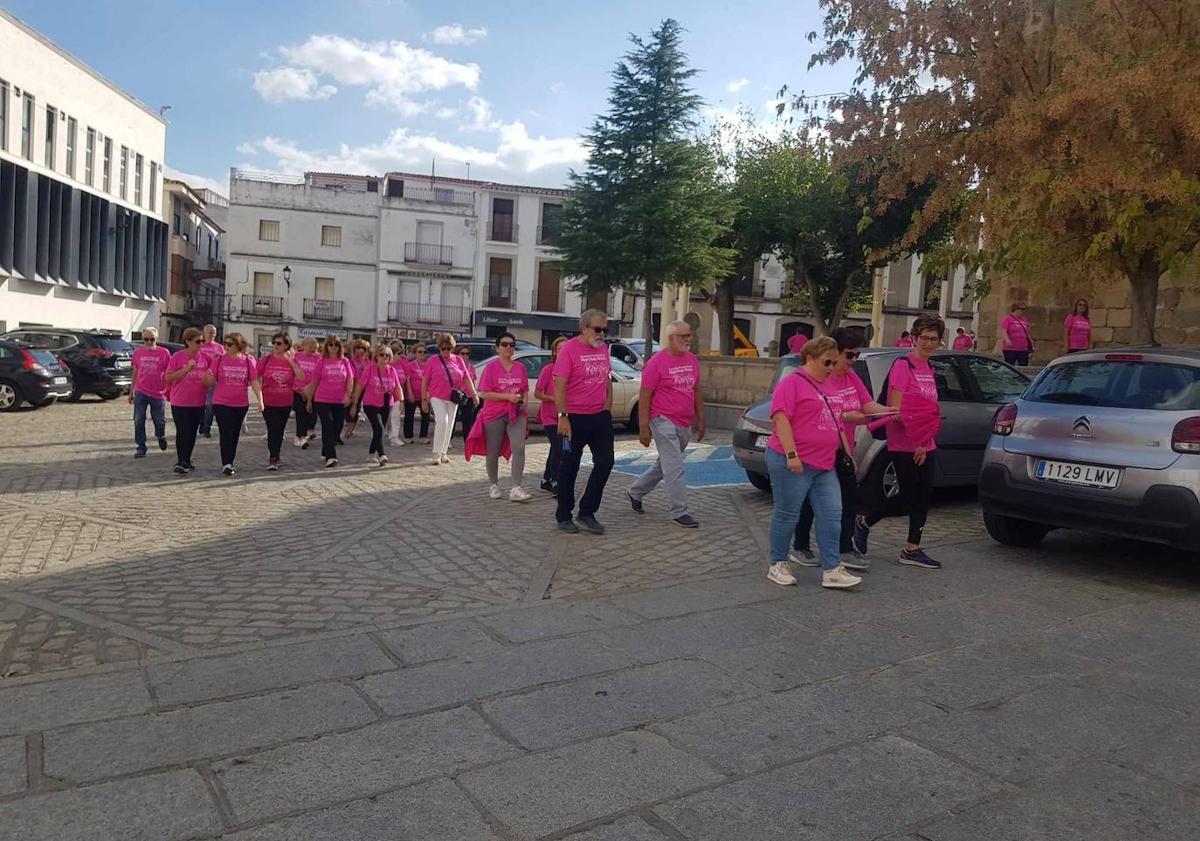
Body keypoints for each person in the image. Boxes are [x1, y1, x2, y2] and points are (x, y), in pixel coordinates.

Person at [791, 328, 895, 570]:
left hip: (844, 449)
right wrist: (850, 417)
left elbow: (867, 404)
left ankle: (844, 548)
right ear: (833, 352)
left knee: (848, 499)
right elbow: (828, 412)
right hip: (817, 450)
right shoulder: (820, 378)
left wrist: (891, 410)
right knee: (809, 501)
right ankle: (800, 546)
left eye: (857, 355)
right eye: (850, 355)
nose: (853, 361)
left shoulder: (851, 377)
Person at [764, 336, 862, 590]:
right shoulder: (792, 383)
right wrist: (791, 454)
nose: (831, 367)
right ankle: (778, 562)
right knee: (788, 513)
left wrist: (847, 453)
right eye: (826, 362)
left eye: (834, 361)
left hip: (824, 463)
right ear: (810, 358)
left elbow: (837, 420)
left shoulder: (830, 384)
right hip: (794, 461)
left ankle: (831, 568)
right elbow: (781, 418)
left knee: (832, 514)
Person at [853, 314, 946, 569]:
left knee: (923, 496)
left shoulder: (929, 368)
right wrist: (919, 440)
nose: (929, 343)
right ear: (914, 338)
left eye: (934, 339)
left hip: (925, 441)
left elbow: (928, 410)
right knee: (904, 497)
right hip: (905, 442)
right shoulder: (903, 366)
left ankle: (912, 549)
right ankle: (864, 522)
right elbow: (897, 409)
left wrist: (927, 439)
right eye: (924, 338)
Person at [626, 320, 705, 528]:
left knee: (665, 464)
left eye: (689, 335)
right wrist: (644, 427)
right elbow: (645, 396)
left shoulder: (692, 360)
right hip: (662, 420)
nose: (688, 339)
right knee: (675, 466)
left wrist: (700, 418)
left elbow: (696, 390)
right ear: (671, 339)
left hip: (684, 421)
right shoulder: (656, 363)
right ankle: (680, 511)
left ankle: (636, 491)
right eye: (684, 336)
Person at [554, 310, 616, 535]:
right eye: (597, 329)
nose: (602, 334)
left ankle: (587, 511)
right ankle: (564, 515)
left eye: (605, 330)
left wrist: (608, 402)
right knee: (569, 467)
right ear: (584, 328)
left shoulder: (603, 349)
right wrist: (563, 416)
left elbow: (607, 377)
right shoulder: (569, 350)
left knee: (606, 462)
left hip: (599, 417)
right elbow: (559, 384)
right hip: (573, 418)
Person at [469, 332, 532, 501]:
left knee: (519, 447)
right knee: (493, 450)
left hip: (516, 413)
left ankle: (516, 488)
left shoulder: (520, 368)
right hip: (494, 413)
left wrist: (524, 400)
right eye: (504, 344)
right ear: (497, 348)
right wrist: (507, 397)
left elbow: (524, 388)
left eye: (512, 344)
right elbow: (484, 394)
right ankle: (494, 485)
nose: (508, 347)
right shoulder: (491, 368)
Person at [422, 334, 478, 465]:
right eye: (443, 349)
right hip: (437, 396)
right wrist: (424, 398)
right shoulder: (433, 361)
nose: (446, 351)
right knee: (442, 421)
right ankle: (436, 453)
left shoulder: (458, 360)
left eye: (448, 348)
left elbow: (466, 378)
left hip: (453, 397)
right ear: (439, 348)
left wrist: (474, 394)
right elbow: (425, 380)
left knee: (450, 424)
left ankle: (443, 452)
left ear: (452, 348)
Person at [210, 332, 261, 476]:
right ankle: (226, 463)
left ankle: (230, 460)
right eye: (224, 343)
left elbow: (255, 382)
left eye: (229, 344)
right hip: (221, 402)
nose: (225, 346)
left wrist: (260, 400)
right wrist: (207, 376)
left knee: (234, 434)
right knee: (225, 432)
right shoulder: (220, 359)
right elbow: (210, 379)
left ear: (239, 345)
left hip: (240, 404)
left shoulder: (247, 360)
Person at [163, 327, 213, 475]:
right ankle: (181, 461)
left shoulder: (206, 358)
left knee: (191, 432)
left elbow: (210, 381)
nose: (201, 344)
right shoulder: (178, 357)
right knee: (182, 430)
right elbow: (168, 378)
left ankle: (187, 460)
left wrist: (208, 380)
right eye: (198, 341)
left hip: (198, 401)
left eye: (203, 341)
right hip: (180, 401)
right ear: (188, 341)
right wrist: (187, 369)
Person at [257, 333, 305, 471]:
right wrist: (259, 390)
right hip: (269, 401)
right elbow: (255, 376)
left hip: (285, 402)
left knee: (280, 430)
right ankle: (273, 457)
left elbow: (301, 377)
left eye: (279, 343)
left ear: (286, 346)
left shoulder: (292, 361)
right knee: (273, 429)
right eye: (274, 343)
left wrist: (292, 363)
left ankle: (276, 455)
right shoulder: (266, 360)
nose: (275, 346)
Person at [307, 335, 356, 468]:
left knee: (337, 426)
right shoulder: (321, 362)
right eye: (330, 345)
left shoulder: (345, 362)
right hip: (322, 399)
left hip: (339, 400)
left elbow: (350, 380)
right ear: (326, 347)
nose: (333, 347)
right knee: (328, 425)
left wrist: (349, 395)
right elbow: (314, 382)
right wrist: (309, 400)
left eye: (336, 345)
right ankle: (331, 456)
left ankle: (326, 448)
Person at [351, 344, 404, 466]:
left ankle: (371, 454)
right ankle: (382, 454)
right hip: (371, 403)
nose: (384, 357)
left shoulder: (392, 370)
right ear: (376, 356)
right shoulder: (370, 369)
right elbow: (360, 386)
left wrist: (401, 401)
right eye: (381, 355)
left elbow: (397, 387)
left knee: (379, 430)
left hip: (387, 403)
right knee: (379, 428)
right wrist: (355, 403)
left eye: (387, 355)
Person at [129, 326, 170, 458]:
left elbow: (170, 372)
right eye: (146, 339)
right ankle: (141, 446)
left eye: (151, 339)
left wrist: (169, 391)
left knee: (159, 420)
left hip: (159, 392)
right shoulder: (138, 353)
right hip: (141, 391)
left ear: (156, 339)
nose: (149, 342)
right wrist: (131, 391)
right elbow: (135, 372)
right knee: (138, 419)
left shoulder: (164, 353)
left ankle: (160, 435)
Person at [535, 336, 568, 494]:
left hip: (566, 415)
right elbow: (537, 393)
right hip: (549, 416)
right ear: (555, 351)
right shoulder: (548, 369)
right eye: (560, 349)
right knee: (558, 447)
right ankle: (556, 480)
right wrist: (554, 398)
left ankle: (546, 479)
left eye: (566, 349)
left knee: (557, 448)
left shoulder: (571, 369)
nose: (563, 352)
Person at [292, 337, 321, 448]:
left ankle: (307, 432)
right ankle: (300, 436)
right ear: (303, 346)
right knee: (300, 414)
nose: (313, 349)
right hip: (298, 390)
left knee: (311, 414)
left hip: (312, 390)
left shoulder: (318, 358)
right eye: (310, 347)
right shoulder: (296, 356)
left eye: (315, 348)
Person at [197, 323, 225, 438]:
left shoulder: (219, 347)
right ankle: (201, 423)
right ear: (204, 333)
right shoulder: (200, 346)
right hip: (199, 379)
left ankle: (206, 428)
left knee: (210, 405)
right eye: (209, 331)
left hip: (213, 380)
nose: (212, 334)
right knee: (199, 404)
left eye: (214, 331)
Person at [343, 339, 372, 440]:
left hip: (362, 387)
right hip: (352, 385)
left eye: (363, 348)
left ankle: (351, 427)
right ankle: (350, 423)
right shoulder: (351, 360)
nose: (360, 350)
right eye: (358, 348)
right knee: (347, 406)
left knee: (356, 405)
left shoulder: (368, 361)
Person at [403, 344, 431, 444]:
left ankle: (423, 436)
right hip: (412, 393)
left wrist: (428, 394)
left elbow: (429, 381)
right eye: (419, 352)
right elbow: (408, 380)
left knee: (426, 415)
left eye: (424, 352)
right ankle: (408, 436)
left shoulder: (428, 365)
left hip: (423, 394)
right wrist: (410, 393)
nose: (422, 354)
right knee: (409, 415)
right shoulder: (410, 365)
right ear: (415, 353)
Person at [386, 341, 409, 446]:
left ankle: (394, 436)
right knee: (391, 417)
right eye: (398, 354)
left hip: (398, 395)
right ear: (392, 354)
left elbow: (405, 380)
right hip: (389, 395)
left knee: (396, 416)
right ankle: (392, 435)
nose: (401, 356)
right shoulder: (389, 366)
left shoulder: (401, 365)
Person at [456, 345, 478, 440]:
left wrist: (474, 395)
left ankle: (467, 439)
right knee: (453, 419)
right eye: (462, 353)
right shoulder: (455, 366)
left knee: (467, 420)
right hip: (457, 395)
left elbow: (472, 381)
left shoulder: (471, 367)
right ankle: (448, 440)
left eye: (467, 354)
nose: (465, 356)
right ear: (458, 354)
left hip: (468, 396)